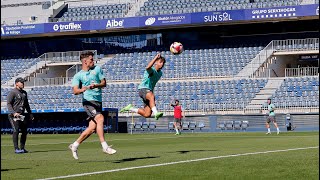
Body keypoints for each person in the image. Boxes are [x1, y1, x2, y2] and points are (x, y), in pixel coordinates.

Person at [68, 51, 116, 160]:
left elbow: (104, 83)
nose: (93, 61)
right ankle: (104, 146)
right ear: (85, 61)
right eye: (91, 60)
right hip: (88, 102)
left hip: (98, 101)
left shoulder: (97, 69)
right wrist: (83, 89)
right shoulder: (78, 75)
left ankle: (74, 145)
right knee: (100, 118)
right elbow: (75, 91)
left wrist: (96, 85)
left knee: (91, 128)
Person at [120, 53, 165, 120]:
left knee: (147, 114)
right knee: (152, 96)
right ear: (156, 62)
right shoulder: (151, 70)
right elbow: (147, 67)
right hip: (143, 89)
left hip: (149, 91)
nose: (162, 64)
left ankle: (130, 108)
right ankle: (156, 113)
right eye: (160, 62)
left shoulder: (160, 73)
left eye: (163, 63)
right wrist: (156, 57)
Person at [7, 77, 34, 154]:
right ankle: (16, 149)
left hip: (21, 115)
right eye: (21, 82)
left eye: (23, 82)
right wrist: (13, 113)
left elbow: (27, 104)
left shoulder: (24, 93)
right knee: (16, 130)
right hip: (13, 115)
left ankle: (22, 148)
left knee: (24, 131)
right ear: (16, 83)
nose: (23, 84)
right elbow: (9, 104)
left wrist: (30, 113)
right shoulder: (13, 92)